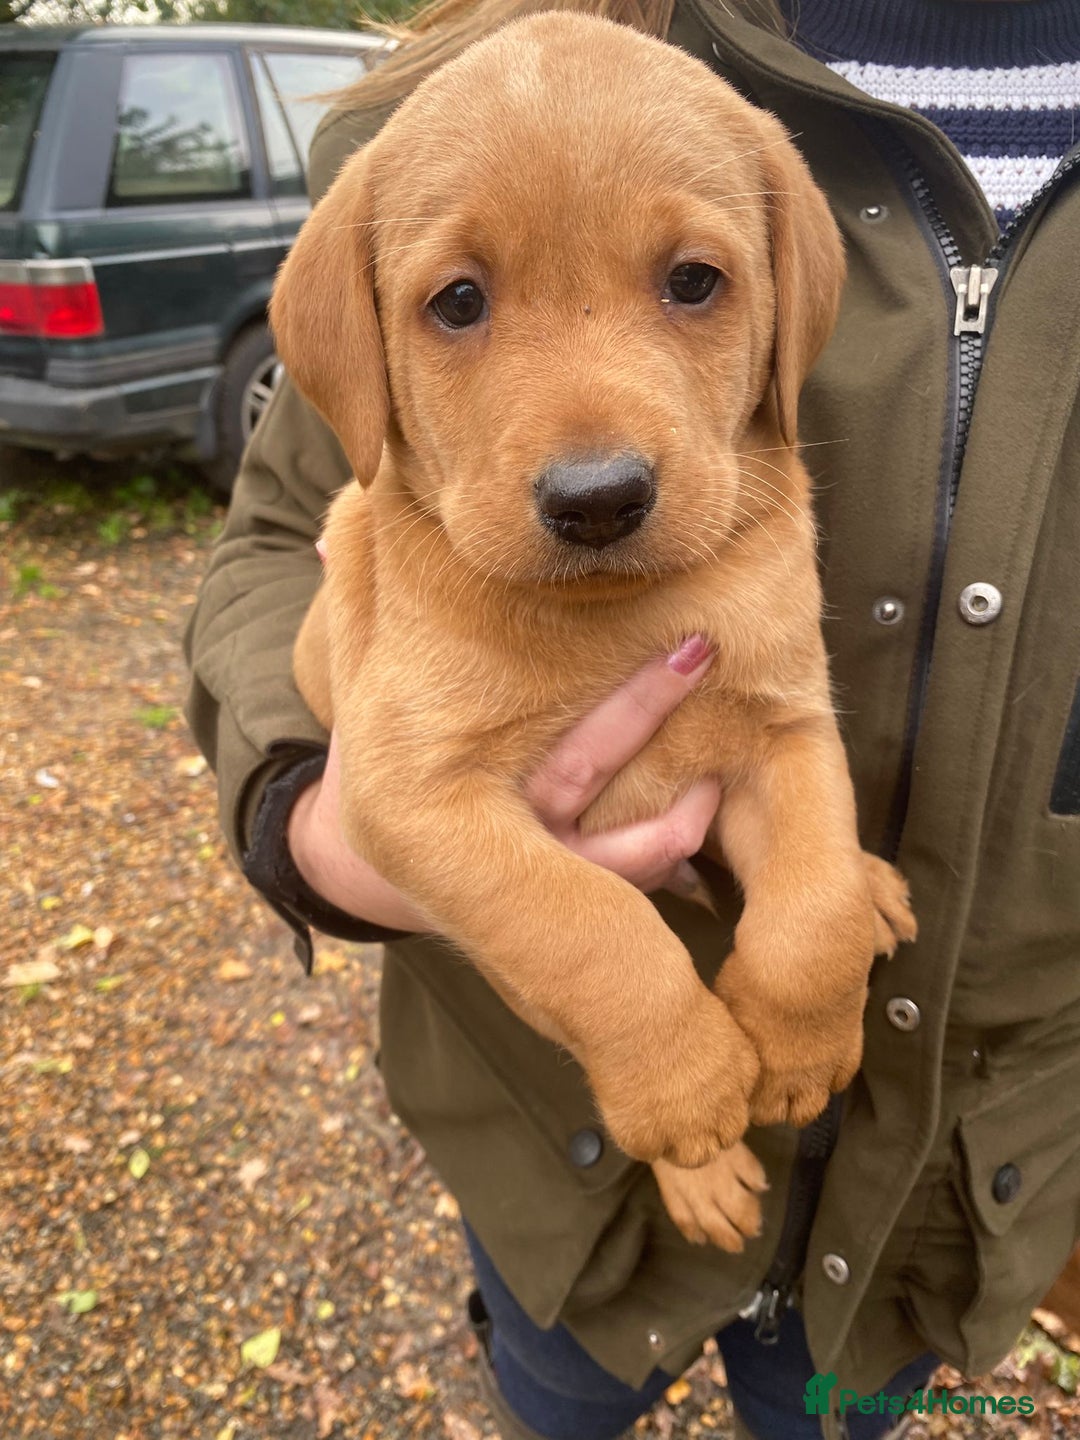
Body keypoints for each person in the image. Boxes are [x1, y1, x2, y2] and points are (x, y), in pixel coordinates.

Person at [183, 0, 1080, 1436]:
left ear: (787, 295)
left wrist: (808, 929)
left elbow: (782, 725)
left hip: (945, 1175)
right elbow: (285, 548)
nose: (593, 454)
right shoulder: (433, 120)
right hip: (565, 1155)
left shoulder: (754, 479)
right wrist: (320, 825)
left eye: (691, 283)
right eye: (459, 305)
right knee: (563, 1392)